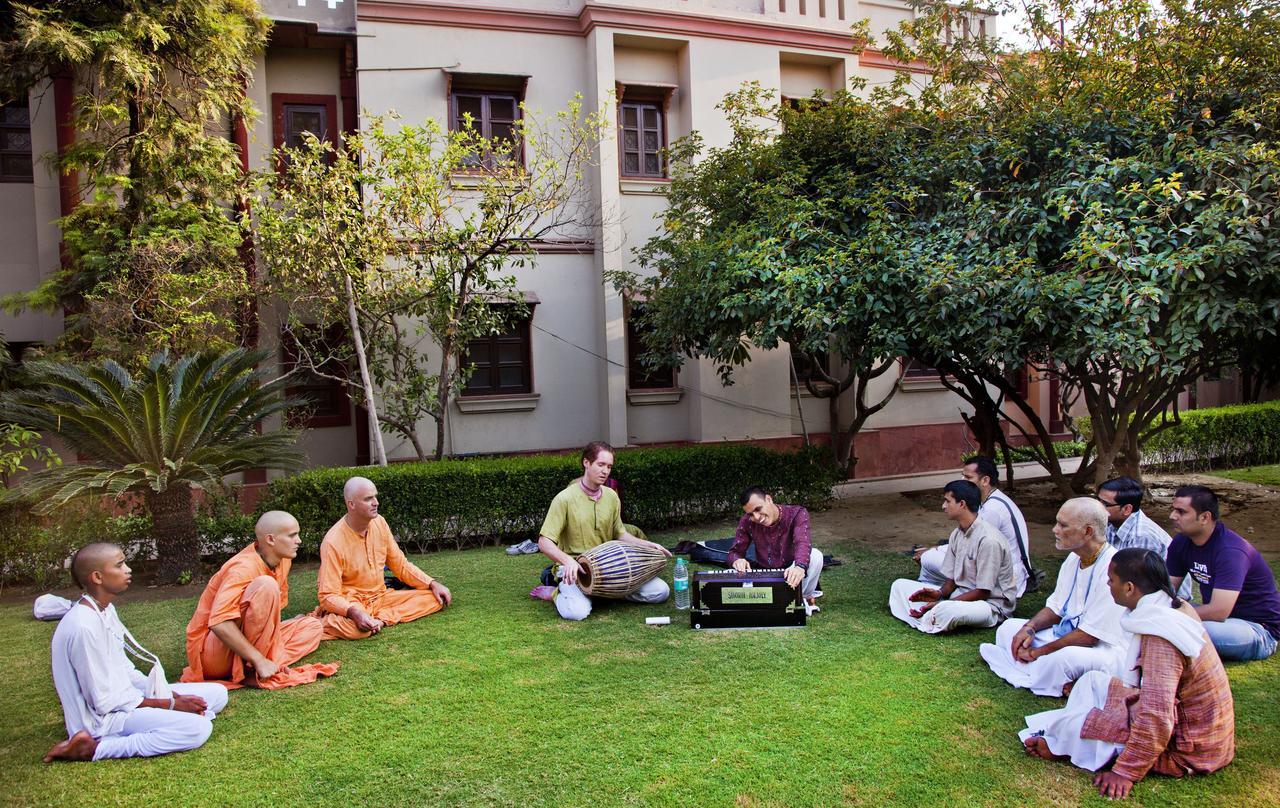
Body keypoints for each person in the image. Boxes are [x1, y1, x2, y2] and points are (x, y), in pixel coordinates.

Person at [1020, 549, 1235, 800]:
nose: (1108, 584)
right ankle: (1075, 729)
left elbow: (1157, 715)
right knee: (1091, 681)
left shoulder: (1160, 636)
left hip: (1188, 744)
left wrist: (1125, 772)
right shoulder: (1170, 606)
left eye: (1111, 580)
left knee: (1072, 727)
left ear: (1130, 588)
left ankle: (1063, 742)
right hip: (1180, 721)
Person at [44, 543, 229, 763]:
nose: (128, 569)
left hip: (127, 700)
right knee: (198, 728)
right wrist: (168, 705)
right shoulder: (83, 626)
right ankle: (96, 748)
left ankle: (165, 719)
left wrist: (171, 696)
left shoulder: (104, 610)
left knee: (217, 694)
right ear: (97, 577)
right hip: (103, 720)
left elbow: (125, 671)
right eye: (120, 565)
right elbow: (104, 702)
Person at [980, 498, 1126, 696]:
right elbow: (1056, 608)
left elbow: (1090, 636)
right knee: (1008, 630)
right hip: (1065, 633)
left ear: (1088, 531)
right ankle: (1043, 671)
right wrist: (1028, 628)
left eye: (1063, 525)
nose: (1055, 530)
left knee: (1064, 659)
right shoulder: (1074, 558)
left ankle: (1037, 667)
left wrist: (1039, 651)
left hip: (1100, 648)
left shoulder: (1113, 569)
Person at [182, 511, 339, 689]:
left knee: (312, 627)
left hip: (244, 641)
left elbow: (261, 615)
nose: (299, 541)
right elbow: (219, 623)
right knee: (266, 585)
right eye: (292, 535)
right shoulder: (243, 567)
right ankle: (256, 666)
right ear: (271, 539)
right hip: (214, 654)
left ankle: (262, 662)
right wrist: (258, 659)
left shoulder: (283, 560)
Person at [529, 441, 672, 620]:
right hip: (577, 569)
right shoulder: (564, 499)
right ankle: (555, 593)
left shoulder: (612, 496)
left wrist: (650, 545)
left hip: (610, 569)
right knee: (577, 612)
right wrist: (567, 561)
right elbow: (544, 542)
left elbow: (620, 533)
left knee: (661, 592)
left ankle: (602, 594)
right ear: (586, 463)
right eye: (601, 464)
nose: (605, 471)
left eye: (609, 466)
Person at [316, 476, 453, 640]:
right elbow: (327, 595)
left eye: (375, 496)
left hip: (382, 598)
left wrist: (432, 583)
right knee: (356, 629)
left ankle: (380, 620)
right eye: (368, 499)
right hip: (353, 602)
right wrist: (353, 611)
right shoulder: (333, 541)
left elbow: (400, 565)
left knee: (435, 598)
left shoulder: (379, 523)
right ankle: (337, 621)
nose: (376, 502)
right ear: (351, 504)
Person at [1165, 485, 1280, 661]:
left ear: (1205, 517)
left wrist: (1168, 615)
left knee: (1186, 628)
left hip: (1258, 630)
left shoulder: (1231, 551)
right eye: (1173, 510)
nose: (1172, 516)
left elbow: (1219, 611)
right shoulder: (1181, 542)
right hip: (1216, 621)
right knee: (1161, 614)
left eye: (1181, 512)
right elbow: (1165, 588)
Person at [889, 480, 1019, 634]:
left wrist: (943, 603)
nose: (943, 506)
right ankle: (930, 616)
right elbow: (951, 579)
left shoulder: (988, 540)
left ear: (962, 504)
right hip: (958, 597)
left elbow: (983, 591)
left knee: (947, 611)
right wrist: (939, 594)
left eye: (947, 501)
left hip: (989, 606)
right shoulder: (957, 534)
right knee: (899, 586)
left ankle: (930, 615)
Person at [916, 455, 1034, 595]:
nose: (963, 481)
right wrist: (938, 549)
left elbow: (971, 546)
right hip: (1003, 568)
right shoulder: (992, 500)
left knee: (928, 558)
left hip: (1005, 577)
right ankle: (931, 587)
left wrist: (933, 551)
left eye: (968, 478)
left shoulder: (992, 509)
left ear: (985, 480)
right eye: (963, 476)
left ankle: (942, 590)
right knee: (933, 556)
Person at [729, 486, 824, 614]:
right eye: (751, 514)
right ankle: (786, 599)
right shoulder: (747, 521)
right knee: (729, 574)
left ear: (769, 499)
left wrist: (800, 566)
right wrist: (737, 560)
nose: (756, 517)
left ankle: (802, 597)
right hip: (764, 574)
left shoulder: (797, 513)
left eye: (758, 509)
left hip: (792, 573)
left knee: (816, 555)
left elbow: (803, 542)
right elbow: (734, 552)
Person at [1096, 476, 1190, 599]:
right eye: (1098, 500)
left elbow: (1139, 585)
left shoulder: (1142, 536)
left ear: (1126, 509)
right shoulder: (1111, 523)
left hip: (1166, 599)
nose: (1098, 507)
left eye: (1105, 504)